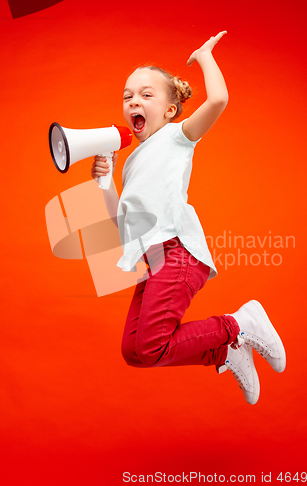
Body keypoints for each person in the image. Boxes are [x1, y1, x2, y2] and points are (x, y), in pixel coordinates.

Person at [91, 32, 286, 405]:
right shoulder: (133, 161)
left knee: (150, 345)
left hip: (179, 254)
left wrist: (204, 56)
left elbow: (219, 99)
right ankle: (223, 352)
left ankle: (241, 324)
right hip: (156, 260)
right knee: (136, 351)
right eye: (128, 95)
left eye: (147, 94)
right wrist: (104, 183)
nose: (134, 100)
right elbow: (123, 225)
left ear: (169, 110)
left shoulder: (177, 137)